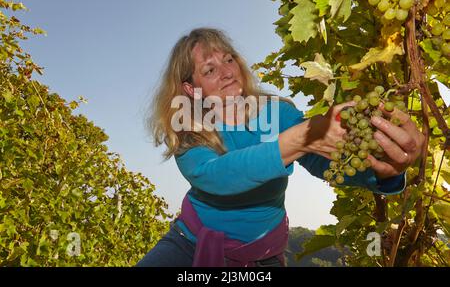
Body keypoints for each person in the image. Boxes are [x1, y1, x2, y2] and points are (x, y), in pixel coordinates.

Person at [137, 27, 424, 267]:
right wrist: (297, 139)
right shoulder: (187, 126)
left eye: (229, 59)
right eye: (210, 69)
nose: (227, 72)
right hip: (189, 243)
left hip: (263, 255)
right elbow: (217, 176)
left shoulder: (279, 114)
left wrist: (385, 171)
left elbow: (326, 163)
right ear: (191, 88)